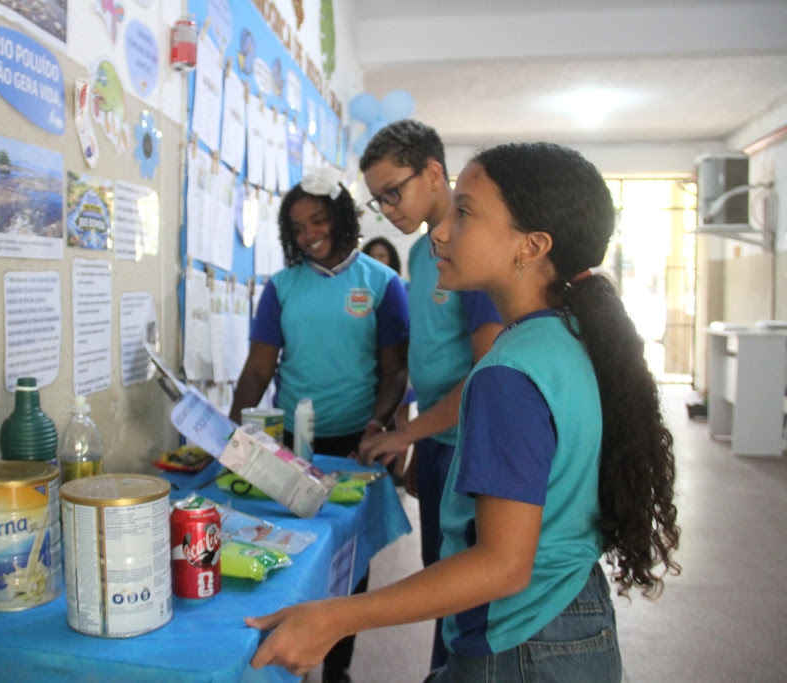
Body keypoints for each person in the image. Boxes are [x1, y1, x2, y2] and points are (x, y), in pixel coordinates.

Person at [245, 142, 681, 682]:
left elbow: (502, 563)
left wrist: (334, 616)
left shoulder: (508, 374)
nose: (441, 231)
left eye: (466, 213)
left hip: (522, 638)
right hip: (567, 613)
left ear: (532, 245)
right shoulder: (562, 338)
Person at [229, 167, 409, 683]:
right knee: (291, 543)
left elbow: (395, 369)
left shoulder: (382, 283)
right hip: (293, 442)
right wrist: (234, 432)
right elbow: (259, 369)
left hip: (357, 442)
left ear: (342, 218)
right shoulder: (282, 288)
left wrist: (379, 424)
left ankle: (339, 667)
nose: (309, 234)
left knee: (350, 559)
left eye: (318, 221)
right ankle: (291, 647)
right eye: (298, 226)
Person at [359, 119, 503, 669]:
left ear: (435, 172)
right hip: (440, 439)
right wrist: (417, 438)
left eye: (394, 191)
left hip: (474, 446)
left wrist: (409, 433)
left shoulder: (472, 251)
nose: (389, 208)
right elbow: (435, 360)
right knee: (438, 570)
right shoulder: (421, 253)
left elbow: (489, 372)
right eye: (379, 200)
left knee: (465, 587)